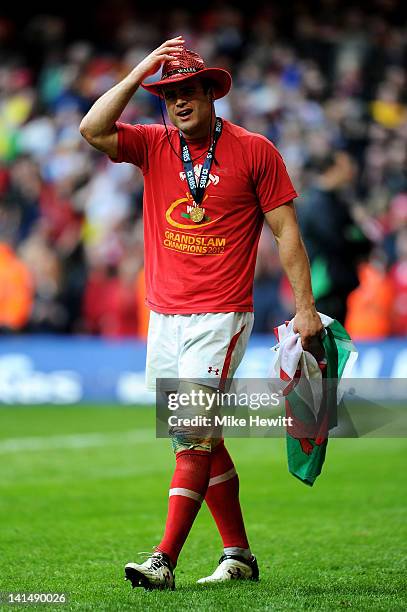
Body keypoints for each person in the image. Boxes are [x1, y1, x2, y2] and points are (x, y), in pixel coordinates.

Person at [80, 36, 323, 591]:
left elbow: (287, 232)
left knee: (191, 433)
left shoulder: (255, 151)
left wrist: (305, 309)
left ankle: (162, 561)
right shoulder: (152, 144)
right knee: (198, 437)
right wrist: (142, 67)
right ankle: (238, 555)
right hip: (164, 316)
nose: (180, 102)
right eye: (169, 95)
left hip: (220, 314)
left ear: (212, 92)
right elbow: (91, 130)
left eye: (190, 90)